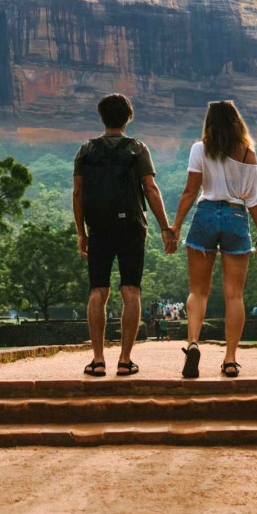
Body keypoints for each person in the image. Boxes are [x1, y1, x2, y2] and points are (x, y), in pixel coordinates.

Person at [73, 93, 177, 377]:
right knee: (131, 290)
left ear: (102, 117)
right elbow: (151, 189)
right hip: (131, 226)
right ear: (128, 117)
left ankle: (97, 360)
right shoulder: (137, 149)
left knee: (98, 291)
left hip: (98, 228)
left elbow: (78, 192)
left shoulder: (86, 150)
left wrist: (81, 232)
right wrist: (165, 227)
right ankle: (125, 360)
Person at [171, 100, 257, 378]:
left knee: (198, 291)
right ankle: (229, 360)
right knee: (234, 295)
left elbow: (190, 191)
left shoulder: (199, 149)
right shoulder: (248, 153)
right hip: (235, 217)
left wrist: (175, 226)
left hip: (205, 216)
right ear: (237, 121)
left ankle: (192, 343)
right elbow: (254, 198)